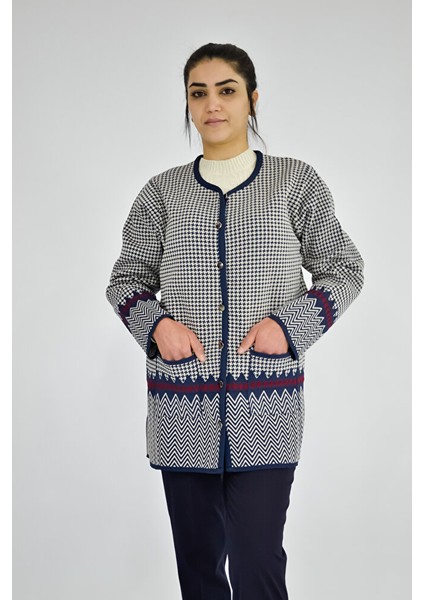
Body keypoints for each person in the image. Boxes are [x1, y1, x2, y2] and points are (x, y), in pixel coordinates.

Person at [106, 42, 365, 600]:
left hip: (267, 413)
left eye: (226, 90)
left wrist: (289, 327)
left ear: (252, 99)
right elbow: (125, 280)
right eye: (198, 93)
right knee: (199, 567)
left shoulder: (295, 182)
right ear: (187, 104)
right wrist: (157, 327)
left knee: (257, 558)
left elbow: (344, 269)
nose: (212, 104)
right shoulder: (162, 193)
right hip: (182, 412)